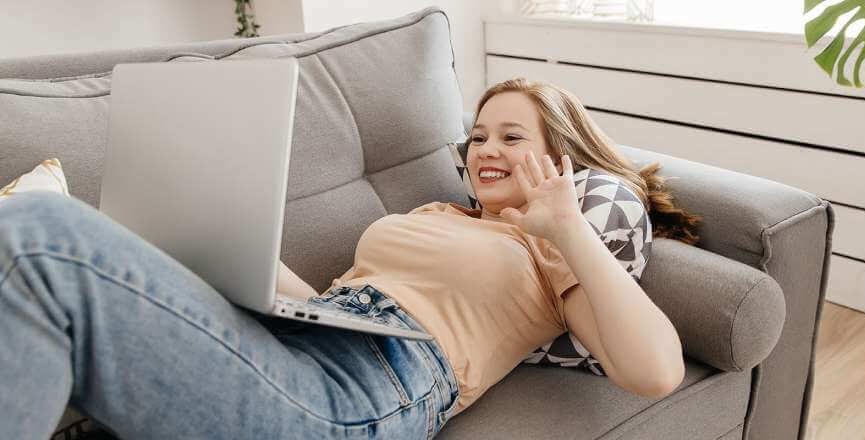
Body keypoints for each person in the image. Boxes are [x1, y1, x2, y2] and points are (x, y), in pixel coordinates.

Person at [0, 78, 701, 439]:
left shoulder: (548, 248)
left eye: (511, 136)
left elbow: (655, 370)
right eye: (479, 134)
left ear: (559, 157)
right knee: (70, 244)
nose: (485, 148)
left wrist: (566, 226)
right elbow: (330, 304)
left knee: (37, 233)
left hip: (366, 396)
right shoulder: (436, 215)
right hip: (300, 349)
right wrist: (229, 239)